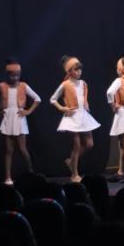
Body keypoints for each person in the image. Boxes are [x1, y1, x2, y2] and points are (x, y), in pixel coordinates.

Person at [0, 59, 40, 185]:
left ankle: (31, 172)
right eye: (12, 75)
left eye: (17, 75)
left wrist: (28, 111)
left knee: (22, 149)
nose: (15, 78)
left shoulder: (23, 86)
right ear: (7, 75)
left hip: (19, 117)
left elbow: (37, 99)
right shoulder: (2, 86)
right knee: (9, 150)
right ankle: (8, 177)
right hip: (8, 118)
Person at [50, 55, 100, 183]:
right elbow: (53, 99)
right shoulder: (65, 84)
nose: (79, 72)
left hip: (83, 115)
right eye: (76, 70)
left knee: (89, 144)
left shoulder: (83, 83)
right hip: (72, 116)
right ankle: (74, 174)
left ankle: (71, 161)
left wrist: (86, 103)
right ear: (69, 71)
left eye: (80, 69)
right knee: (77, 145)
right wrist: (62, 108)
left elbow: (84, 97)